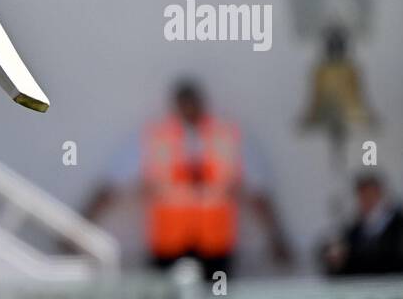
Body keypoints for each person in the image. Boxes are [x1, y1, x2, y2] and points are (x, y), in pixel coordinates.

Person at [82, 80, 291, 277]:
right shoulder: (155, 138)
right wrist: (80, 230)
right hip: (168, 248)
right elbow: (111, 186)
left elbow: (258, 192)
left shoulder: (226, 137)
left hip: (215, 248)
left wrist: (277, 237)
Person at [322, 174, 403, 276]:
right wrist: (339, 261)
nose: (367, 202)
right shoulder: (354, 231)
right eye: (362, 197)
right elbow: (347, 270)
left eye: (371, 196)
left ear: (382, 195)